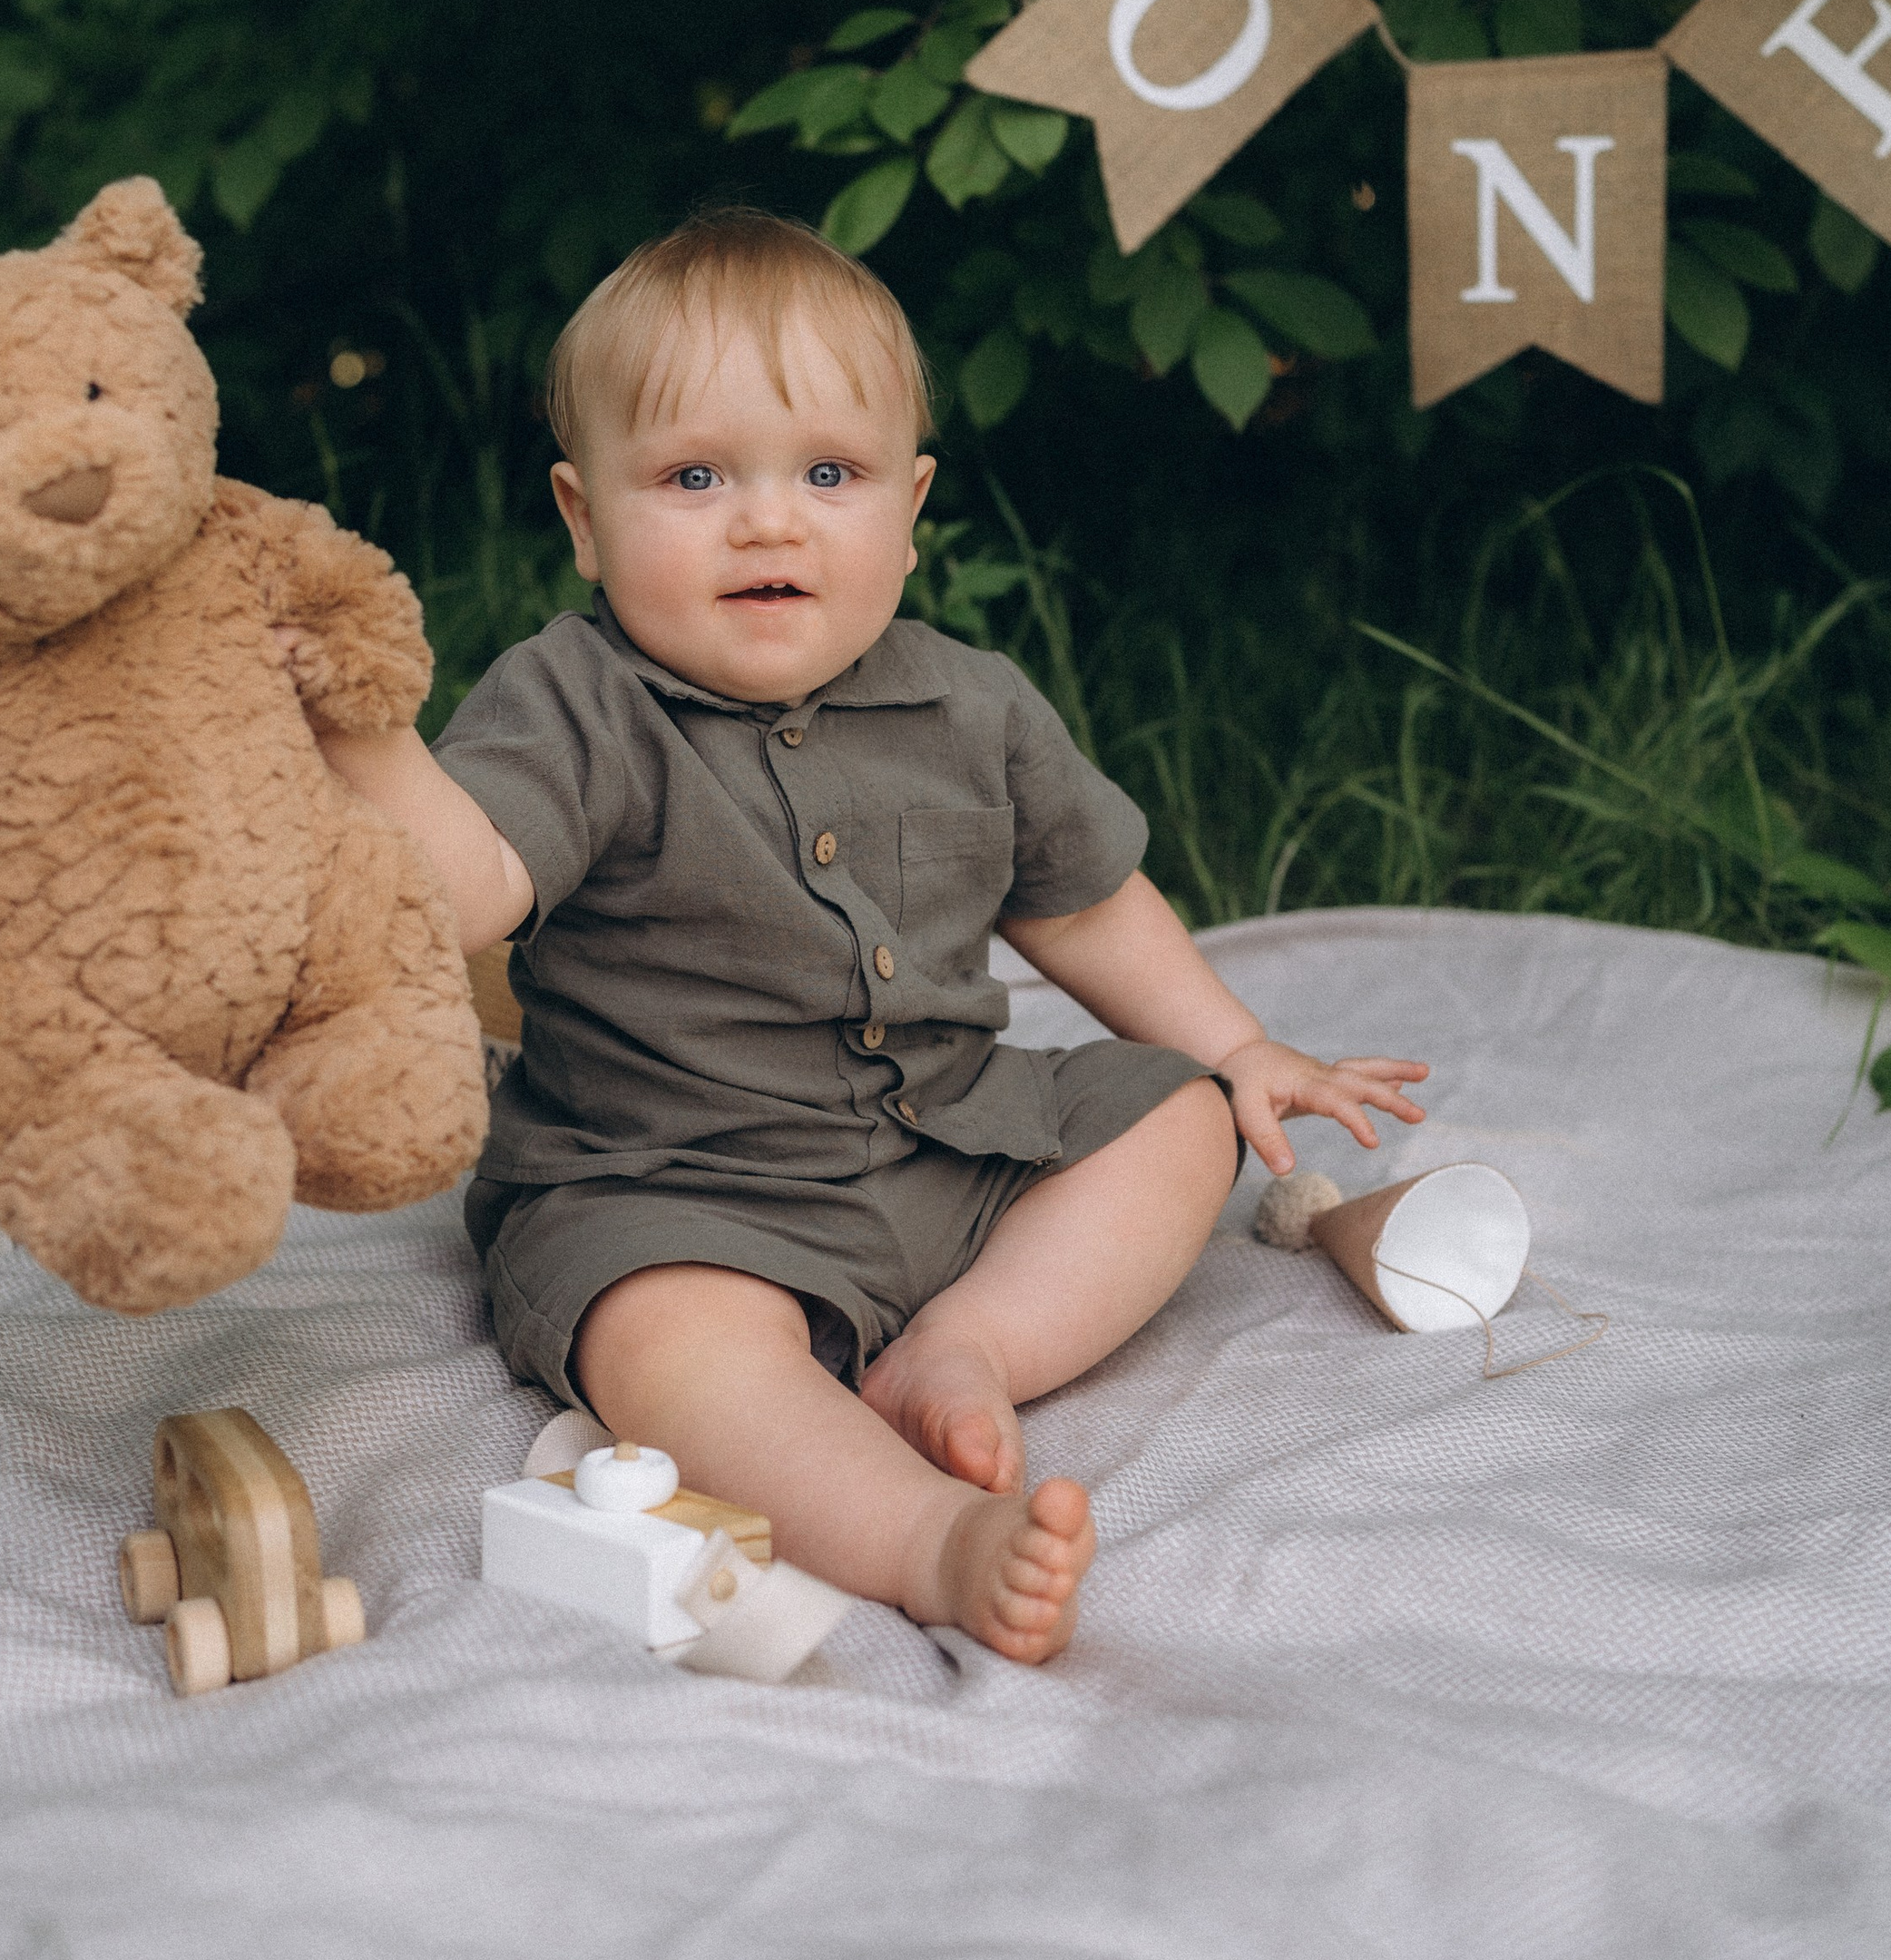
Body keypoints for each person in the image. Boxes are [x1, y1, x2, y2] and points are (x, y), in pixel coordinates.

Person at [311, 211, 1427, 1663]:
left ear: (910, 511)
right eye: (695, 475)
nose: (767, 520)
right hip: (674, 1191)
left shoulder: (973, 704)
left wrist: (1237, 1047)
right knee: (666, 1345)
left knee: (1179, 1125)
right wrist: (369, 738)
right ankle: (923, 1537)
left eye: (828, 475)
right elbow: (459, 891)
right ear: (586, 520)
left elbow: (1081, 900)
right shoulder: (575, 704)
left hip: (947, 1150)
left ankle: (969, 1346)